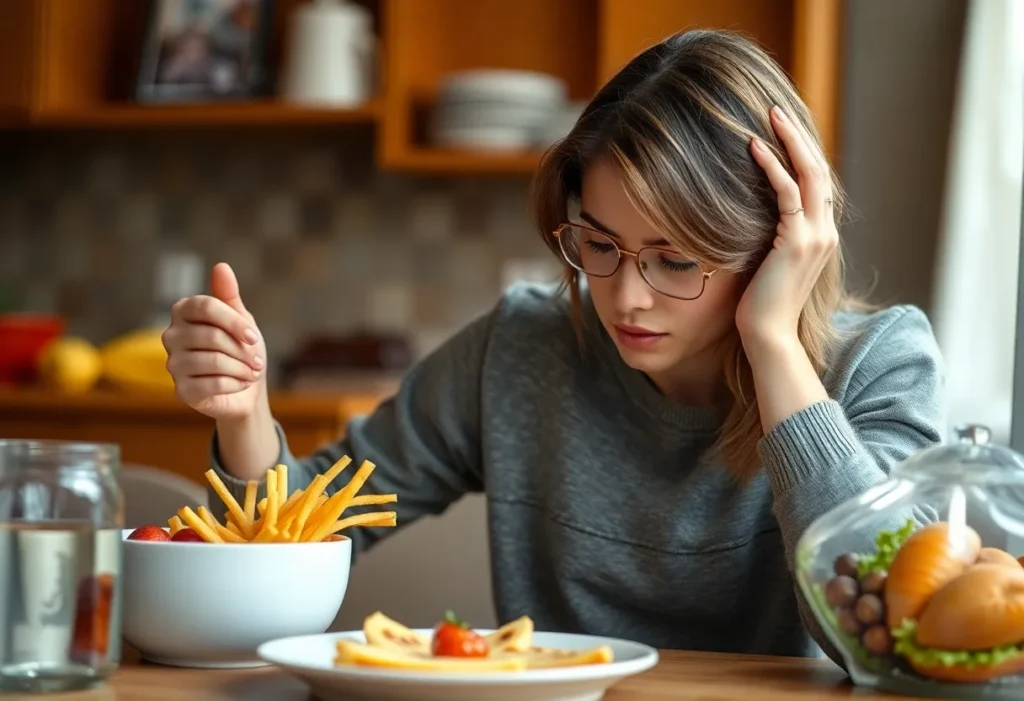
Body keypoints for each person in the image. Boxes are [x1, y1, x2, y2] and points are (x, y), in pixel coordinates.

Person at [161, 29, 945, 664]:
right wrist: (244, 412)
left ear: (781, 246)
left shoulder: (881, 363)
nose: (627, 296)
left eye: (676, 260)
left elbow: (893, 634)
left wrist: (773, 341)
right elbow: (308, 524)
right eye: (599, 244)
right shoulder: (522, 348)